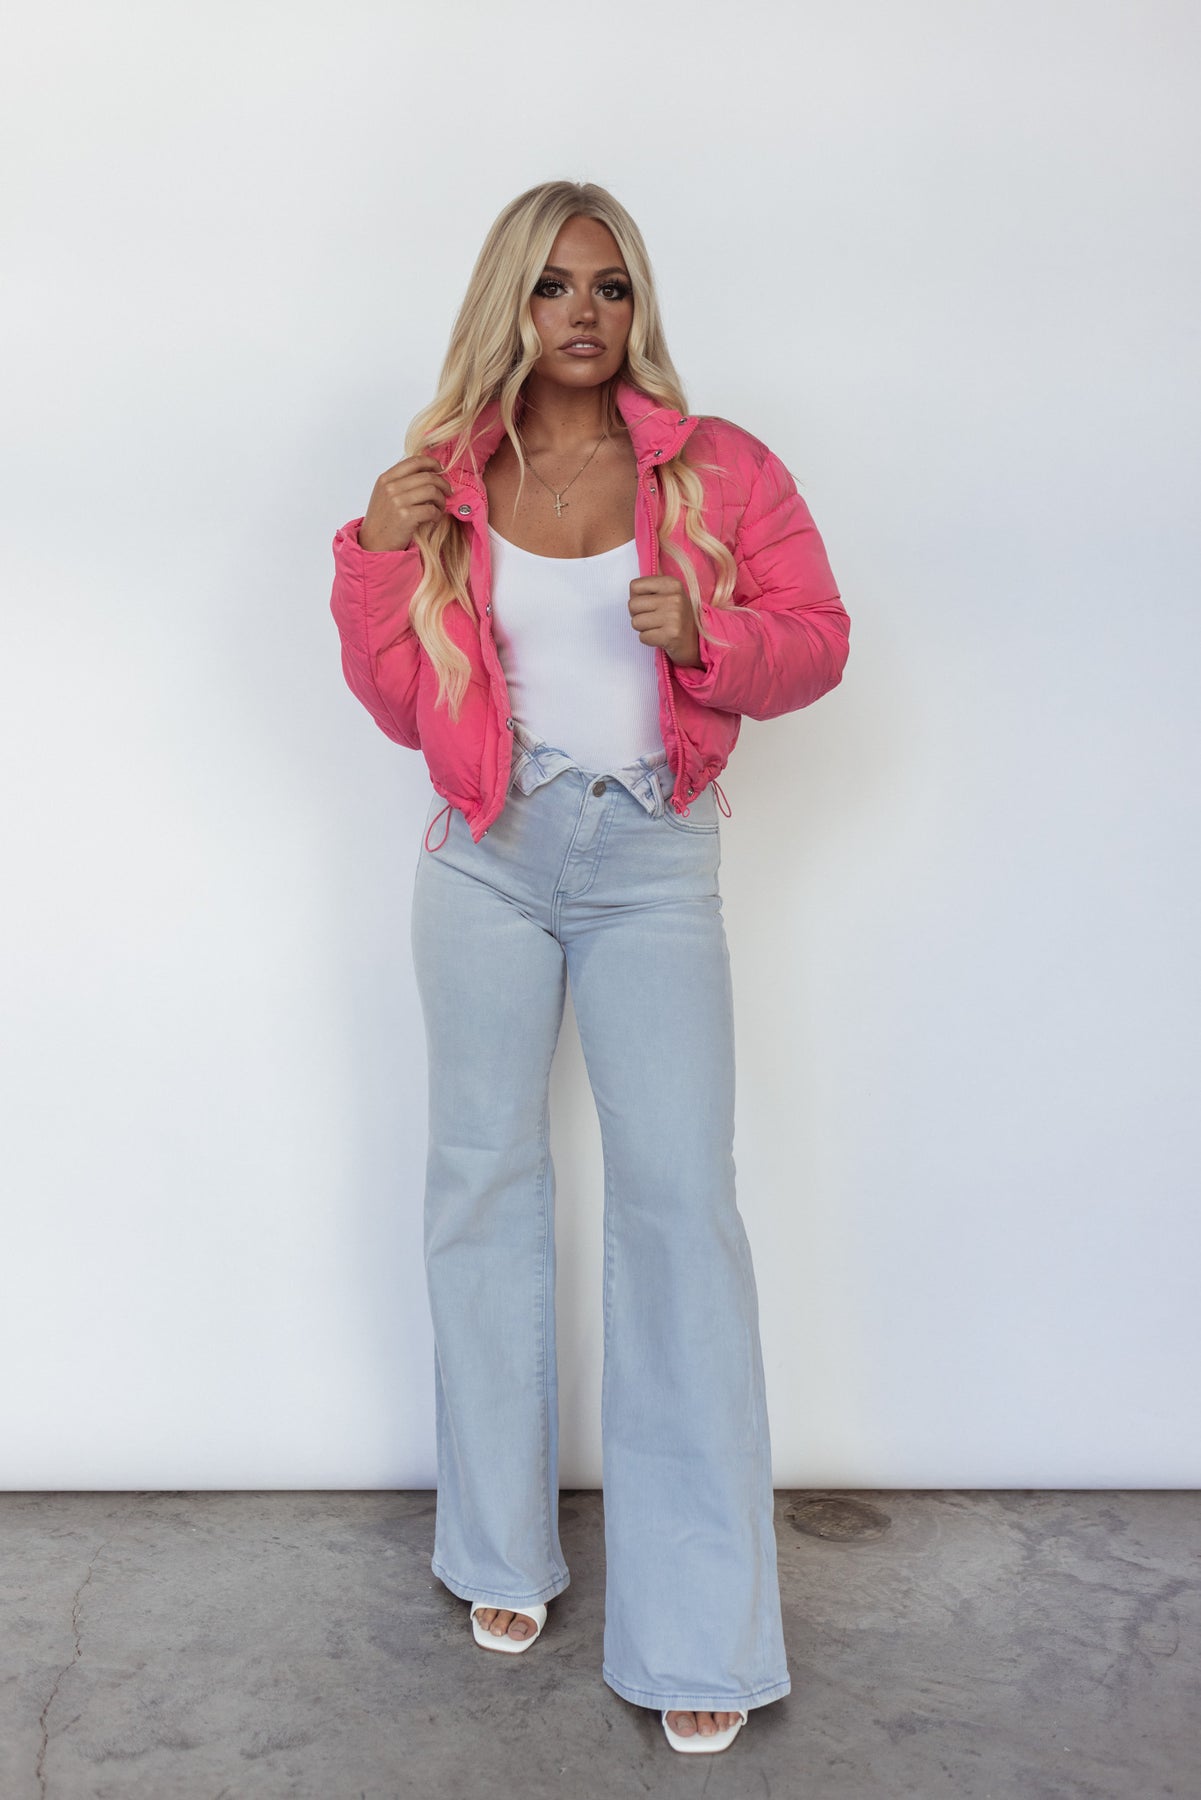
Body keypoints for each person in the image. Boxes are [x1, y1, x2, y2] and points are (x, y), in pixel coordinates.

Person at [328, 179, 850, 1755]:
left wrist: (705, 638)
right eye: (554, 286)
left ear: (637, 308)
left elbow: (817, 639)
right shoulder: (445, 476)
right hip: (485, 860)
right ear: (510, 301)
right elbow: (394, 701)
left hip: (649, 867)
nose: (582, 313)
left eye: (609, 287)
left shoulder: (718, 468)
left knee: (679, 1213)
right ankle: (499, 1547)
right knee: (481, 1186)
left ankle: (699, 1625)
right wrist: (374, 553)